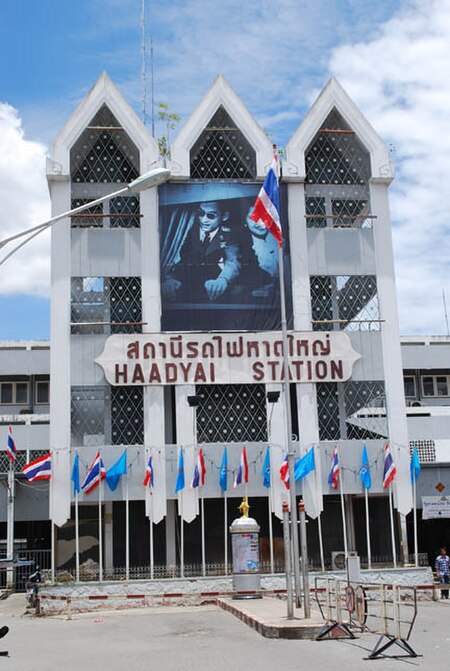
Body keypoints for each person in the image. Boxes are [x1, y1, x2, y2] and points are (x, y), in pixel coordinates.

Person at [162, 201, 240, 302]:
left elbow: (232, 261)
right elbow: (174, 258)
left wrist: (223, 279)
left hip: (214, 294)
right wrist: (168, 278)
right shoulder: (184, 231)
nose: (204, 220)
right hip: (183, 291)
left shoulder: (229, 236)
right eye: (201, 213)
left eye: (211, 216)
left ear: (224, 216)